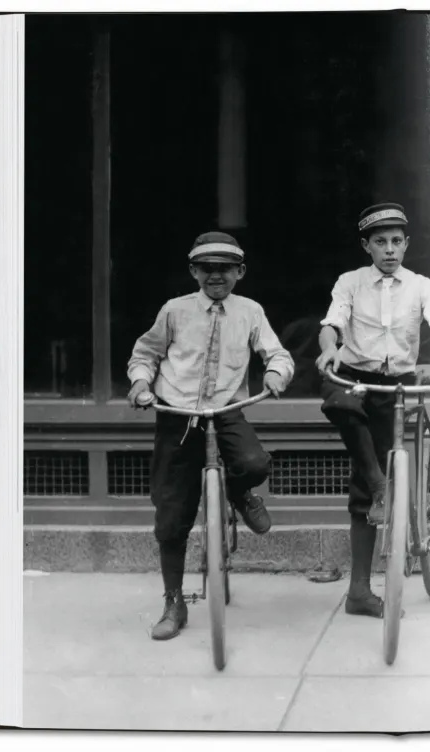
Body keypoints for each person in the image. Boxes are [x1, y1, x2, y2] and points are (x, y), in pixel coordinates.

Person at [316, 203, 430, 619]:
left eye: (395, 241)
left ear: (406, 244)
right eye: (379, 242)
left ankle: (361, 579)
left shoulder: (421, 285)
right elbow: (331, 323)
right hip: (355, 376)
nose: (389, 250)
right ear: (366, 246)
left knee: (364, 487)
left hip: (395, 385)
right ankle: (377, 488)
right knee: (338, 403)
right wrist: (329, 350)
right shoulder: (350, 282)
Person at [126, 231, 294, 641]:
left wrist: (276, 373)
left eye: (225, 269)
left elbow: (277, 353)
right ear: (193, 271)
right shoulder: (175, 310)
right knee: (171, 514)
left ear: (240, 272)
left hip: (224, 412)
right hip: (178, 415)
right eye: (207, 268)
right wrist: (140, 383)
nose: (216, 276)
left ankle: (238, 493)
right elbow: (145, 354)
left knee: (254, 463)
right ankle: (173, 602)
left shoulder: (250, 311)